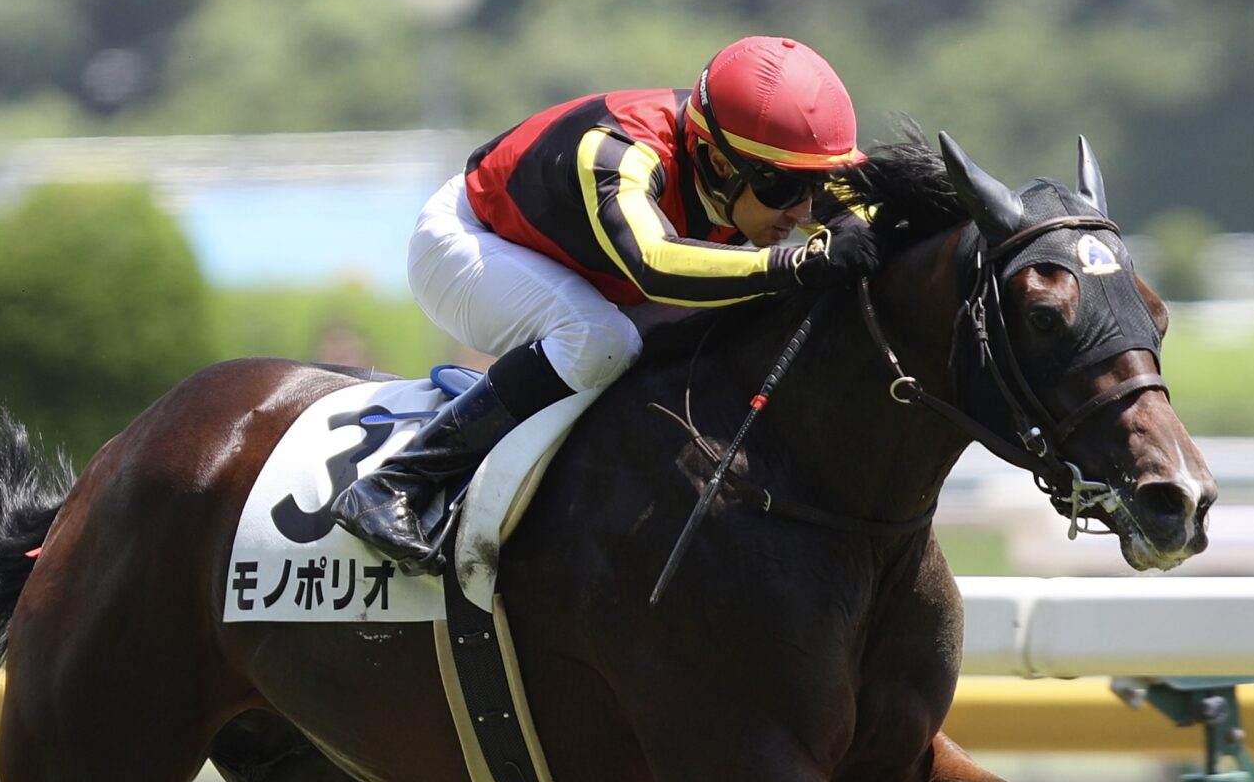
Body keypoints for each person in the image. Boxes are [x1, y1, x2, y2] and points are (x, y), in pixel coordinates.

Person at [332, 35, 882, 576]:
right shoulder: (618, 152)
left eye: (815, 187)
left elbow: (872, 219)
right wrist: (794, 265)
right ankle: (397, 483)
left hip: (583, 268)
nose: (803, 210)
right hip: (468, 244)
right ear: (717, 161)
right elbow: (654, 263)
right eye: (785, 191)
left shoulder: (753, 157)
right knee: (601, 341)